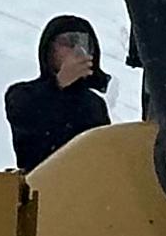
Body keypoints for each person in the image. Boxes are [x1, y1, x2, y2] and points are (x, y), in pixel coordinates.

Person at [7, 14, 112, 172]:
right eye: (69, 42)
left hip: (88, 188)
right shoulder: (23, 94)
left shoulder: (94, 104)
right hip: (40, 188)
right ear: (49, 49)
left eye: (85, 43)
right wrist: (58, 84)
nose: (78, 50)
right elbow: (27, 120)